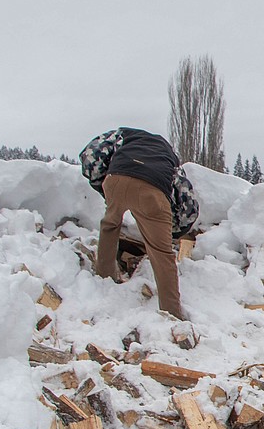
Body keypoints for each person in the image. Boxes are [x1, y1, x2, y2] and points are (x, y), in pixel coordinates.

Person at [80, 127, 198, 320]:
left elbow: (92, 154)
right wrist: (174, 231)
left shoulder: (123, 135)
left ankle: (104, 279)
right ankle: (172, 313)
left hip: (116, 178)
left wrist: (101, 185)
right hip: (153, 190)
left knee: (109, 226)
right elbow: (186, 198)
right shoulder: (170, 157)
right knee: (162, 253)